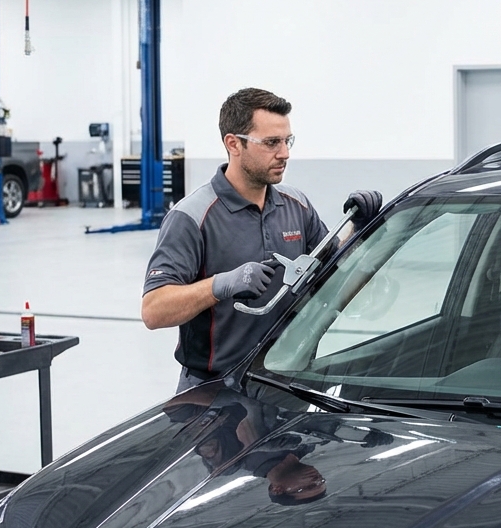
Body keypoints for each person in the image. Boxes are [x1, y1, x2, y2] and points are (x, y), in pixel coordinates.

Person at [142, 87, 383, 392]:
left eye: (287, 141)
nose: (284, 153)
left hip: (289, 381)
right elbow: (154, 310)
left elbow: (336, 277)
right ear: (234, 144)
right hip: (214, 387)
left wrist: (359, 231)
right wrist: (220, 285)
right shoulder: (192, 216)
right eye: (271, 143)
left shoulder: (297, 205)